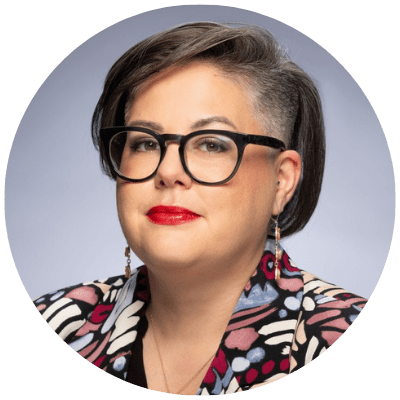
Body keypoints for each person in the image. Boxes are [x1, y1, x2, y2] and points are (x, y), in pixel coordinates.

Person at [33, 22, 367, 395]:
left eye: (211, 144)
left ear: (282, 179)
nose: (168, 172)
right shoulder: (51, 327)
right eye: (145, 143)